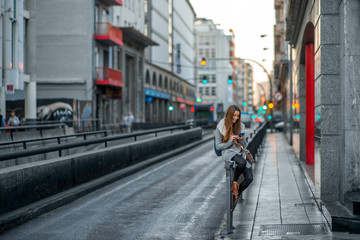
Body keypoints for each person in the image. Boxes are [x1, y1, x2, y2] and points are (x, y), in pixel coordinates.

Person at [215, 105, 253, 204]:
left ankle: (236, 193)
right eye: (234, 115)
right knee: (242, 163)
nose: (236, 118)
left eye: (238, 116)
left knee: (250, 178)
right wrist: (230, 141)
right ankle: (234, 182)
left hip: (240, 152)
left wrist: (241, 139)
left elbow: (245, 144)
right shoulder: (221, 126)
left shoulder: (241, 125)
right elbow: (218, 146)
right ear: (229, 115)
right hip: (228, 152)